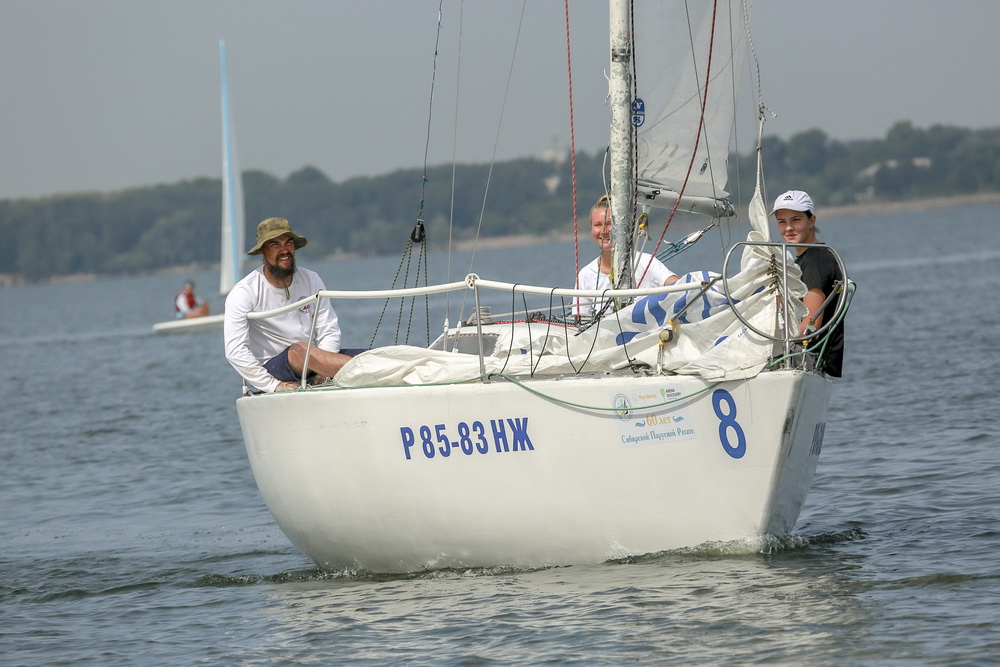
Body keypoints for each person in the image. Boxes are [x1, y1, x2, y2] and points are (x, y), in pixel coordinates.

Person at [224, 217, 352, 392]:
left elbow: (329, 329)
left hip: (313, 360)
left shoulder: (311, 279)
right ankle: (371, 370)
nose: (284, 250)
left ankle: (385, 369)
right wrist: (273, 385)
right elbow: (235, 350)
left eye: (289, 243)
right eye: (275, 245)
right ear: (262, 251)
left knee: (368, 354)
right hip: (273, 367)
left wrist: (324, 372)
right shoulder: (244, 291)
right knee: (299, 350)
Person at [772, 189, 845, 377]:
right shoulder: (804, 260)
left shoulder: (817, 260)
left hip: (807, 357)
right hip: (802, 353)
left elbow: (810, 327)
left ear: (811, 221)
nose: (788, 228)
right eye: (782, 222)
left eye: (796, 220)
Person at [574, 195, 679, 318]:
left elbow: (679, 288)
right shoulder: (586, 275)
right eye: (598, 225)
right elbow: (580, 319)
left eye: (610, 224)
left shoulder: (646, 263)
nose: (604, 231)